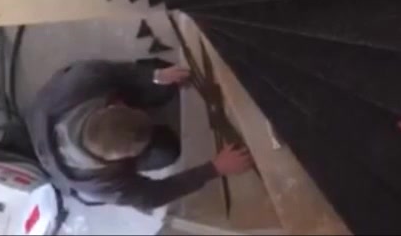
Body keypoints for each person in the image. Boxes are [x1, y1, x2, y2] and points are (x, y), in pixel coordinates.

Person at [26, 59, 253, 211]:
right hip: (67, 141)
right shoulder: (104, 185)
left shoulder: (81, 81)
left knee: (163, 78)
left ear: (112, 106)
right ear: (123, 159)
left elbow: (115, 71)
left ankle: (155, 80)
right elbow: (152, 196)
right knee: (166, 150)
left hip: (59, 104)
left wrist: (156, 75)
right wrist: (214, 169)